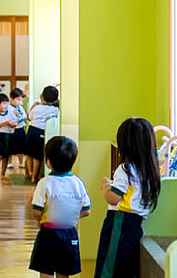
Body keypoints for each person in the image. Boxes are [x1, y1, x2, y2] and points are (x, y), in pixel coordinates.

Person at [94, 117, 161, 278]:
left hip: (120, 221)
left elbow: (113, 199)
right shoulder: (151, 168)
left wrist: (105, 185)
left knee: (109, 268)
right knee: (126, 268)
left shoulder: (125, 169)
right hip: (136, 224)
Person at [29, 136, 91, 278]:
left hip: (48, 233)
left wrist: (40, 221)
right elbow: (86, 210)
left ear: (48, 161)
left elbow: (36, 211)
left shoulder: (45, 183)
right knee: (64, 271)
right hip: (70, 233)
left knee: (46, 269)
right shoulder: (78, 183)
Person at [24, 86, 60, 183]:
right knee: (37, 156)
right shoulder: (55, 110)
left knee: (28, 154)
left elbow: (30, 117)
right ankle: (34, 177)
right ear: (55, 100)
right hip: (40, 132)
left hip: (31, 130)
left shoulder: (37, 107)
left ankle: (28, 173)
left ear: (42, 97)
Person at [0, 93, 17, 179]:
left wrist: (12, 125)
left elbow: (15, 122)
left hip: (9, 136)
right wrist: (4, 123)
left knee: (5, 156)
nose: (6, 106)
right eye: (4, 103)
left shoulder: (10, 113)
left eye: (7, 103)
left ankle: (3, 174)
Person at [7, 88, 27, 169]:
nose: (19, 102)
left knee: (21, 147)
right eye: (17, 99)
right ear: (11, 99)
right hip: (11, 130)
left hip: (20, 129)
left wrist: (21, 116)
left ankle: (21, 162)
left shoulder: (21, 108)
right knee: (10, 147)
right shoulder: (8, 108)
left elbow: (24, 116)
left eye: (21, 100)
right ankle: (9, 162)